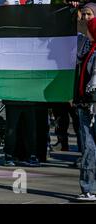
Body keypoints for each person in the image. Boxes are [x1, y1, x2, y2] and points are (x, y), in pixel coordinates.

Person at [74, 17, 96, 201]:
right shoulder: (90, 49)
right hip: (86, 105)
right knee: (89, 147)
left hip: (91, 106)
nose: (87, 30)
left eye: (89, 27)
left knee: (89, 147)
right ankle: (88, 188)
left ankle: (89, 188)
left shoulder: (94, 53)